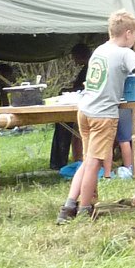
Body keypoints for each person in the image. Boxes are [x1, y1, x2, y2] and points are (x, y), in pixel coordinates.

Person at [58, 10, 135, 223]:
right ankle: (85, 209)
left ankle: (68, 207)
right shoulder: (125, 53)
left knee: (86, 161)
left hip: (84, 110)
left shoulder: (100, 49)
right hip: (103, 115)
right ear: (129, 34)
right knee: (94, 164)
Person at [49, 42, 89, 171]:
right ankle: (61, 160)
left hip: (84, 106)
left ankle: (61, 161)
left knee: (69, 130)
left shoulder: (90, 68)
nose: (73, 60)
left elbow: (84, 88)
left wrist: (69, 91)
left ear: (79, 55)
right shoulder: (86, 68)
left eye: (74, 57)